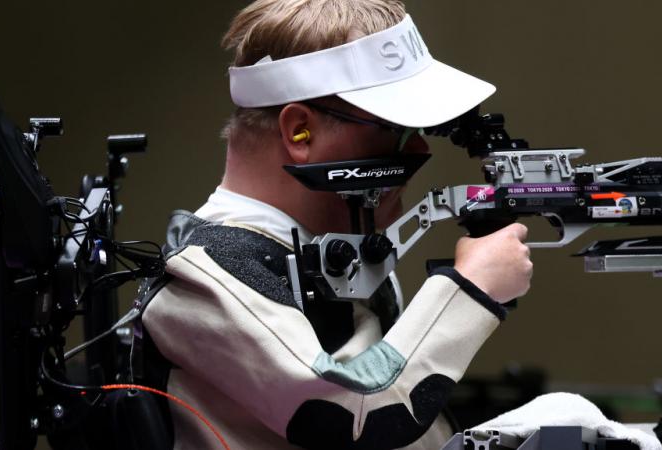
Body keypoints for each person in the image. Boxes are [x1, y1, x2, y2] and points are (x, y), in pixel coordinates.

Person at [141, 1, 533, 448]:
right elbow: (356, 414)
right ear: (300, 132)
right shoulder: (205, 278)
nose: (419, 147)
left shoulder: (333, 253)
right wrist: (469, 289)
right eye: (393, 127)